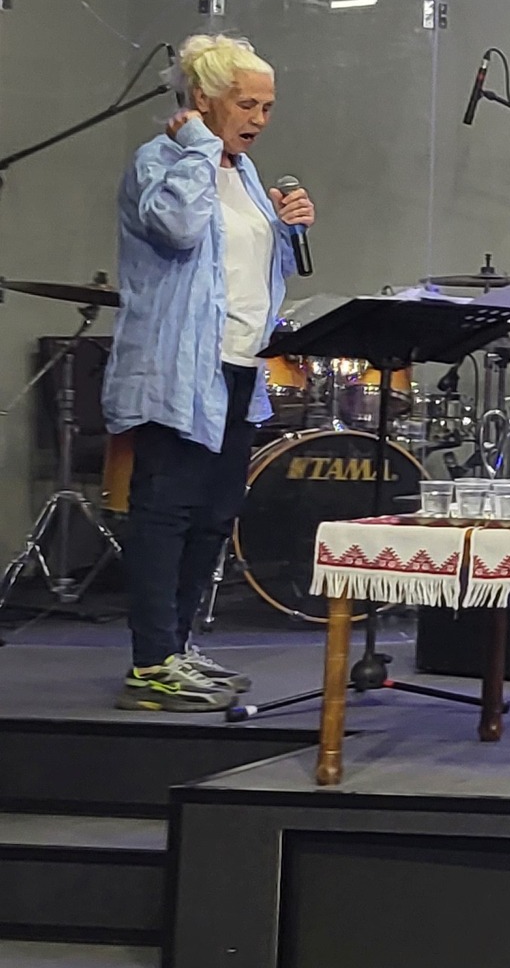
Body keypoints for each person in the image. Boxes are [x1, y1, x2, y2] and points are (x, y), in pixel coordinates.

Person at [105, 35, 312, 711]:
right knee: (165, 512)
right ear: (203, 98)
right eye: (247, 104)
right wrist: (197, 146)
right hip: (179, 368)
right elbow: (179, 230)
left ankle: (178, 643)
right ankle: (150, 661)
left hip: (238, 365)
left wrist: (289, 228)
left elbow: (253, 270)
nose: (259, 119)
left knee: (214, 516)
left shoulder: (243, 171)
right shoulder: (162, 159)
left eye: (268, 107)